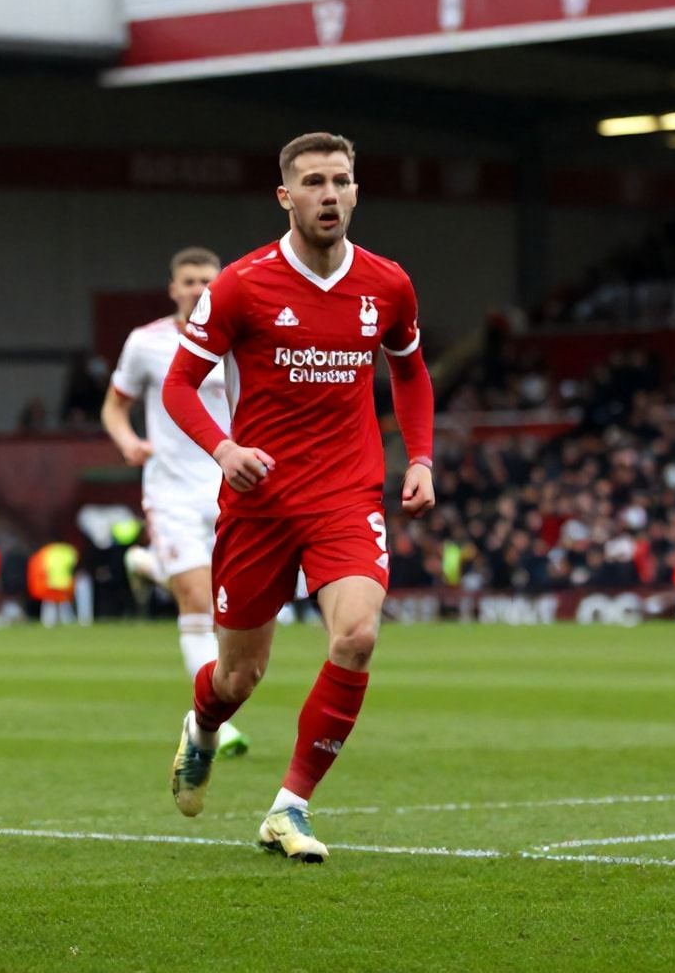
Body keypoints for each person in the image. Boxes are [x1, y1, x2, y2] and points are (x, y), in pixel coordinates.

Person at [161, 132, 435, 862]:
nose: (328, 194)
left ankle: (290, 807)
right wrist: (225, 449)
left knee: (357, 635)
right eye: (312, 182)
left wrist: (422, 458)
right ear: (286, 197)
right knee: (237, 676)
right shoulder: (243, 286)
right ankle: (203, 724)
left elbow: (408, 369)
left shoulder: (388, 284)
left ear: (355, 191)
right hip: (260, 502)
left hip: (346, 495)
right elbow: (178, 386)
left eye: (340, 181)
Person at [102, 248, 248, 757]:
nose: (198, 288)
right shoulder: (146, 343)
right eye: (188, 281)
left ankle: (146, 563)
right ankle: (217, 719)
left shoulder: (240, 337)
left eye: (208, 280)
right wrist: (126, 440)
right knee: (199, 601)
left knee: (238, 604)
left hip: (233, 485)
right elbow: (115, 405)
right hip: (171, 492)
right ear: (173, 289)